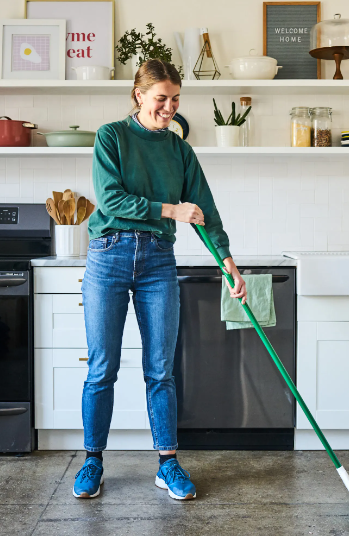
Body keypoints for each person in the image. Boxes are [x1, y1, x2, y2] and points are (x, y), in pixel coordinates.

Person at [72, 59, 247, 501]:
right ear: (138, 95)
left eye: (175, 100)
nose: (169, 108)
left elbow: (204, 209)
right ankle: (92, 461)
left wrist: (226, 260)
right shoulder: (111, 137)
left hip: (156, 262)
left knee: (162, 370)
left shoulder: (180, 151)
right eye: (160, 99)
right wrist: (170, 210)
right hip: (108, 257)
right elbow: (110, 199)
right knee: (101, 368)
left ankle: (167, 464)